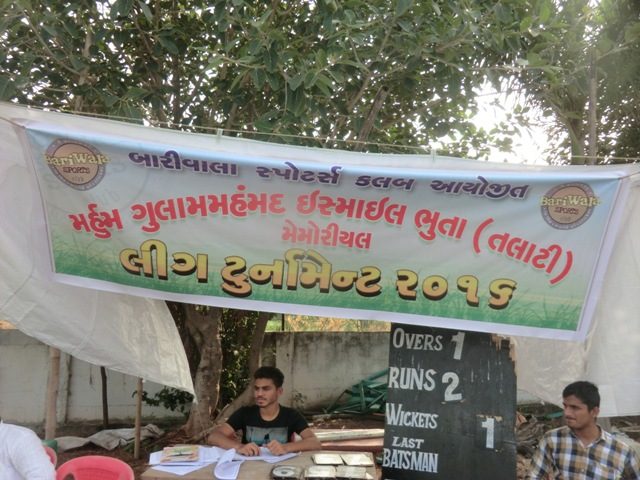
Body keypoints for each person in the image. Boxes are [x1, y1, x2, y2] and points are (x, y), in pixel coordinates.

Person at [527, 381, 640, 479]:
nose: (567, 413)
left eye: (574, 408)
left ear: (594, 412)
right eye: (565, 406)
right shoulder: (552, 440)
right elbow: (533, 476)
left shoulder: (622, 451)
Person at [208, 366, 321, 456]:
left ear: (279, 391)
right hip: (248, 469)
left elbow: (314, 442)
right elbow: (214, 436)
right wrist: (239, 447)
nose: (259, 394)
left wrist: (286, 447)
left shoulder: (291, 415)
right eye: (256, 388)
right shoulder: (244, 413)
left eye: (266, 389)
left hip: (279, 469)